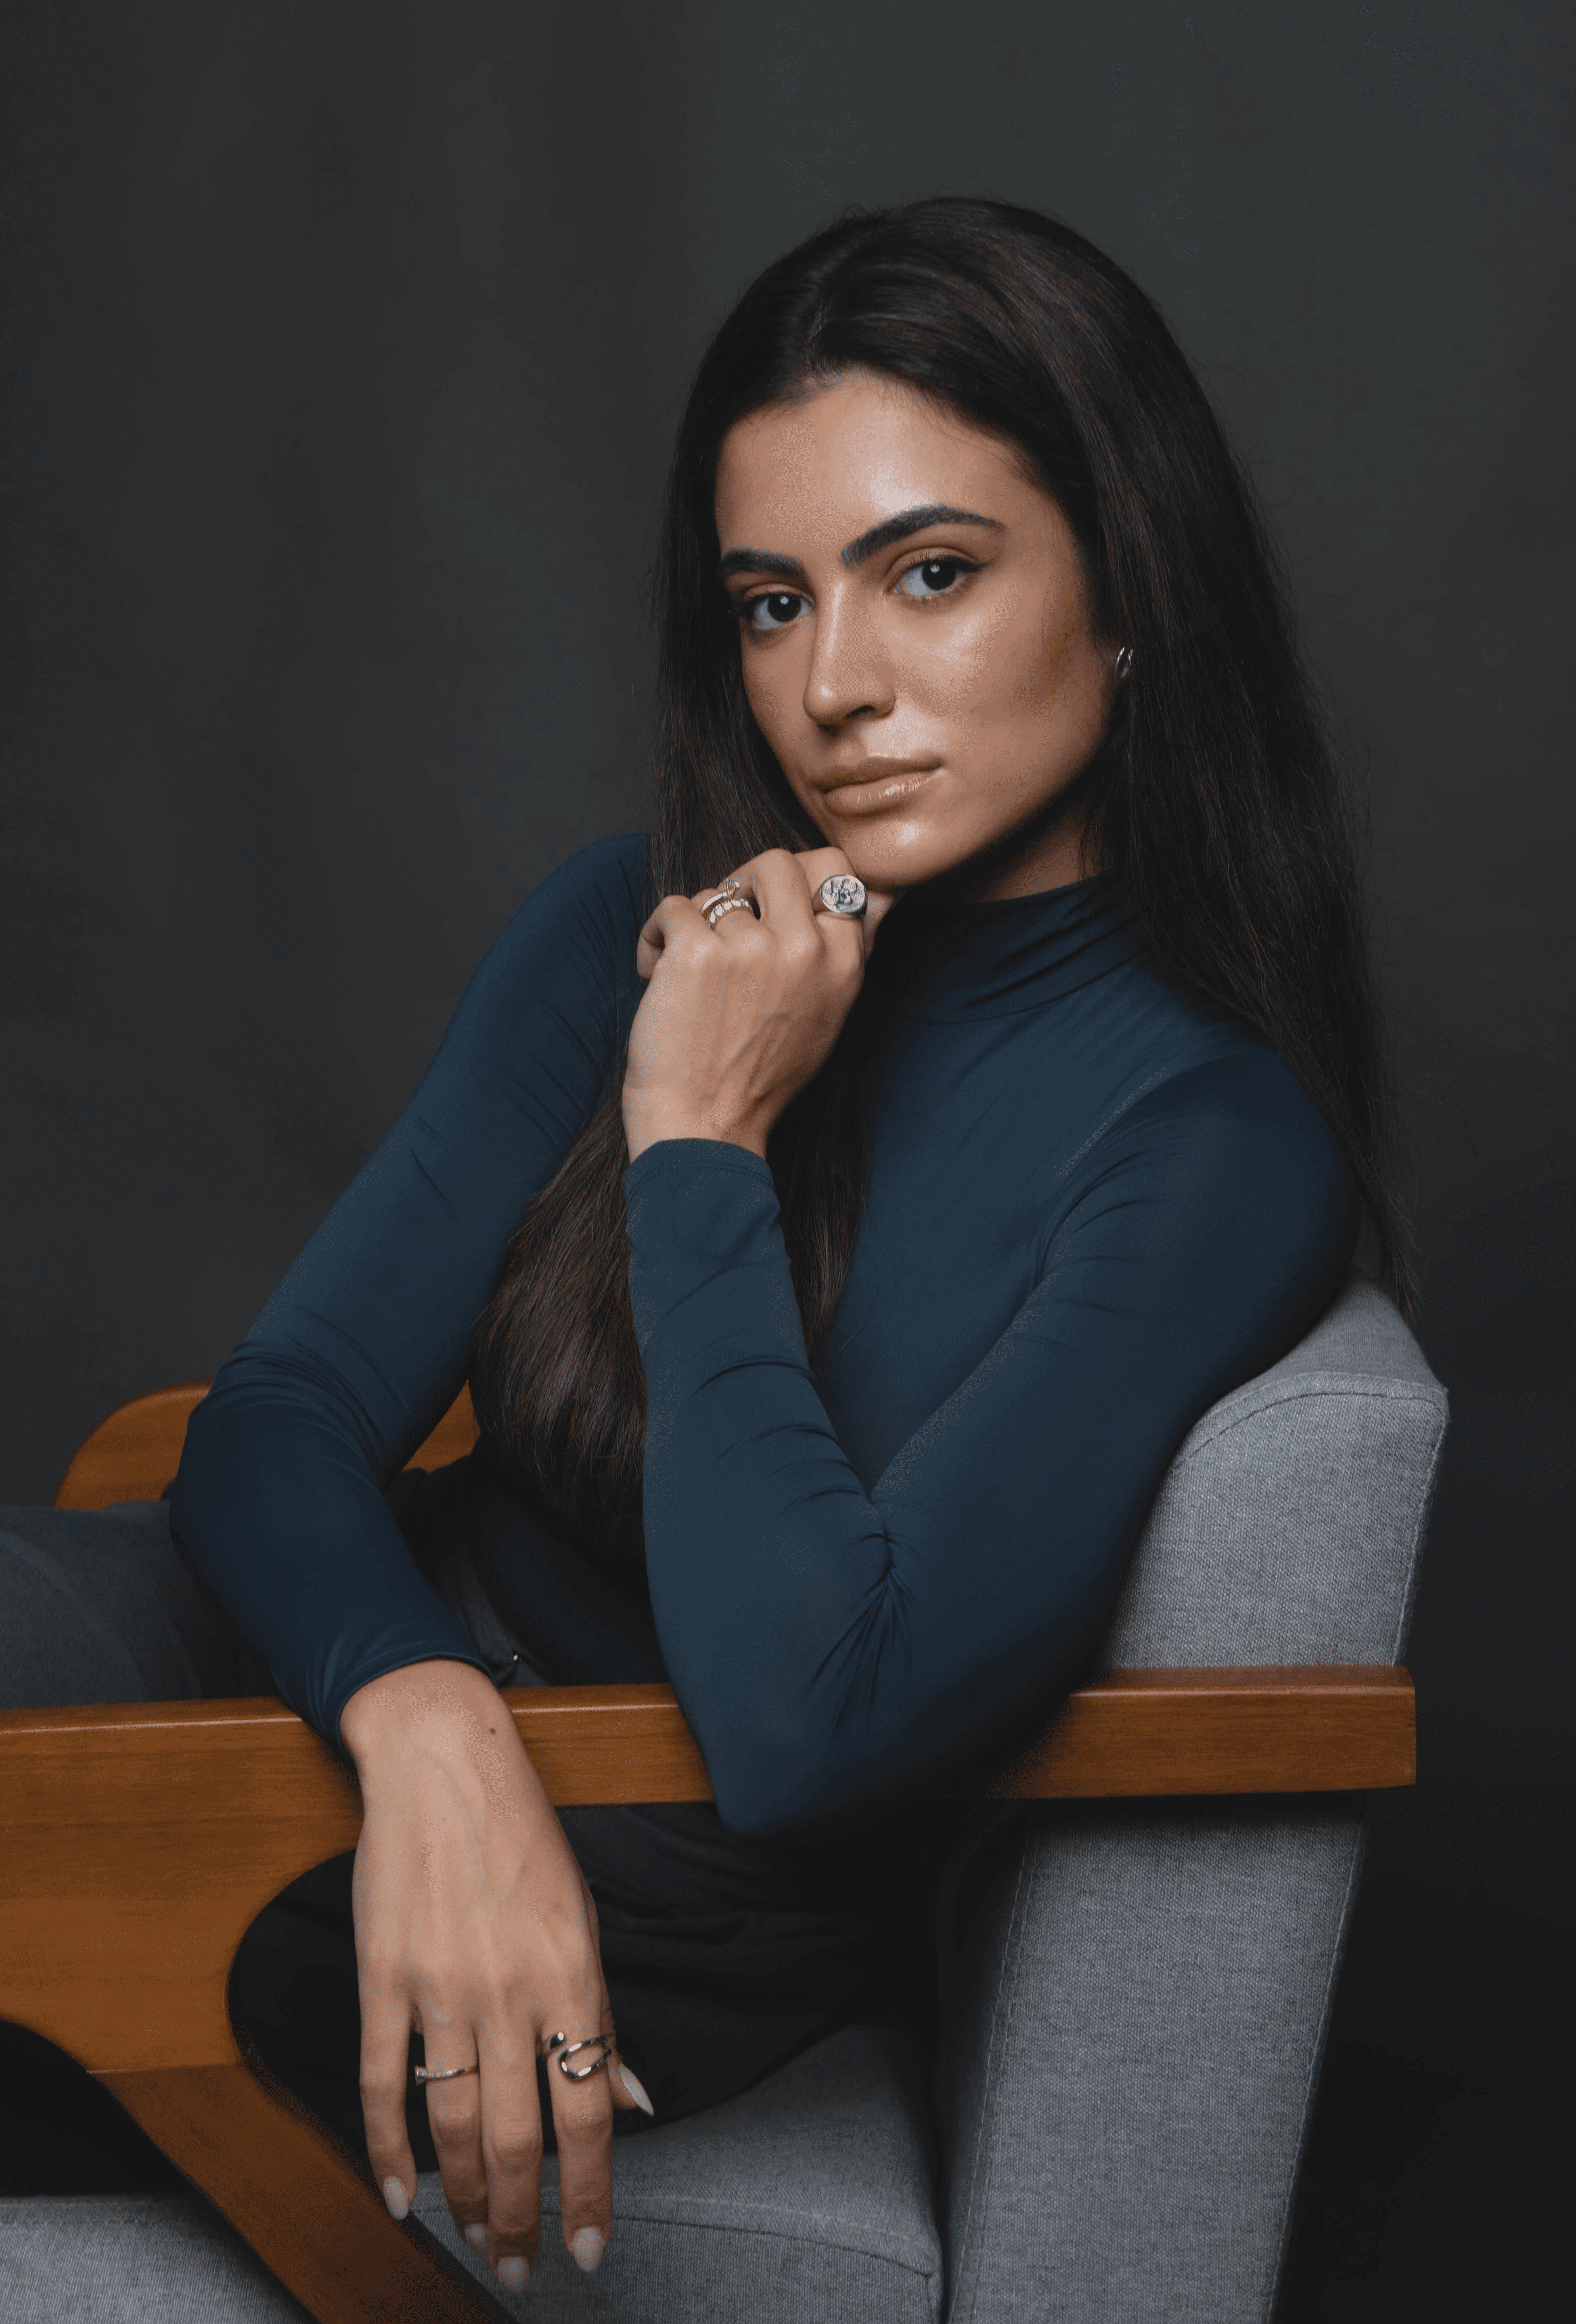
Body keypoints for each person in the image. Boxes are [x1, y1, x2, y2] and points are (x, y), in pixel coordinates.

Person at [0, 197, 1405, 2297]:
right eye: (770, 603)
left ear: (1132, 595)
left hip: (638, 1868)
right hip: (325, 1679)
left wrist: (700, 1132)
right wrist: (423, 1722)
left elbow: (811, 1714)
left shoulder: (1207, 1139)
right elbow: (281, 1417)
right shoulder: (628, 921)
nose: (834, 687)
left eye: (930, 576)